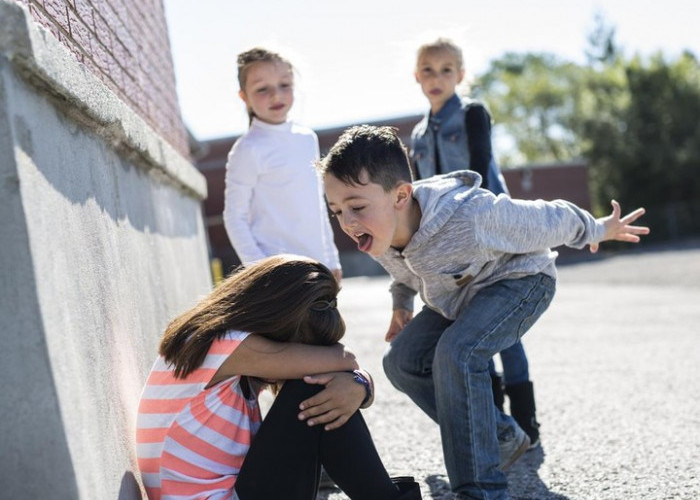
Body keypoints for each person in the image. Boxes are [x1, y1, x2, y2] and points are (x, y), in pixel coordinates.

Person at [317, 125, 649, 500]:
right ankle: (500, 436)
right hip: (458, 298)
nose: (347, 221)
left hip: (521, 283)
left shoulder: (469, 215)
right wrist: (401, 304)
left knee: (457, 353)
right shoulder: (382, 234)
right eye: (337, 210)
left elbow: (546, 218)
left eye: (357, 206)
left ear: (400, 195)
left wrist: (597, 228)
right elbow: (404, 273)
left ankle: (482, 490)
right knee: (401, 361)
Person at [135, 255, 422, 500]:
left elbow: (345, 369)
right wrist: (357, 381)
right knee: (310, 389)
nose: (299, 356)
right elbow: (344, 361)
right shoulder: (225, 345)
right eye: (300, 347)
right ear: (278, 319)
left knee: (321, 388)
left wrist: (360, 386)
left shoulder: (215, 344)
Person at [409, 37, 539, 447]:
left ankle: (526, 422)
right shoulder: (416, 134)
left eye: (447, 69)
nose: (437, 77)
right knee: (470, 327)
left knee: (505, 330)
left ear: (461, 76)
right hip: (447, 245)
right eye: (428, 70)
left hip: (490, 233)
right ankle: (498, 425)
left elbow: (480, 170)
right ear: (417, 76)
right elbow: (419, 192)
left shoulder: (472, 114)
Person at [223, 47, 341, 281]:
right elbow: (234, 217)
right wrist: (261, 269)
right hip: (278, 274)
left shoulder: (307, 138)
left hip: (318, 267)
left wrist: (332, 259)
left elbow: (317, 205)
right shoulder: (248, 149)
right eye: (262, 89)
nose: (276, 95)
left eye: (284, 85)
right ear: (244, 97)